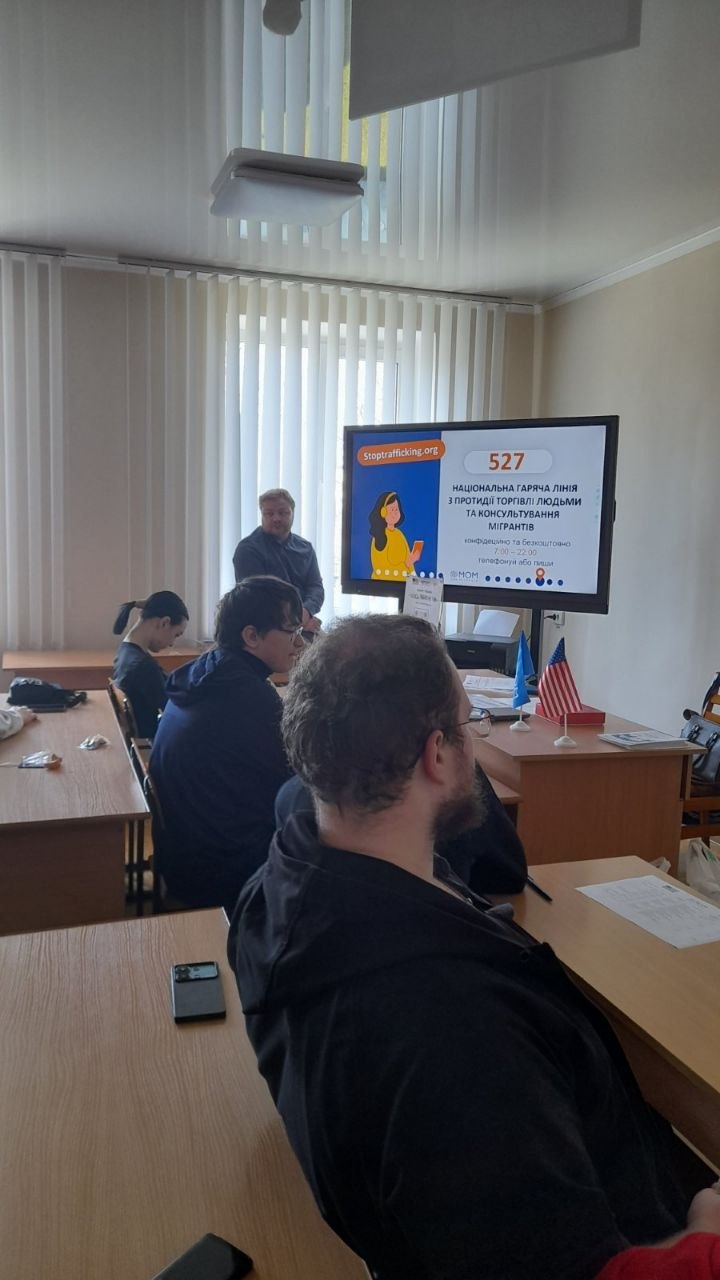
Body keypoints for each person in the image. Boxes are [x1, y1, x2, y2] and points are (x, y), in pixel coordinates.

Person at [229, 614, 720, 1280]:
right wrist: (705, 1233)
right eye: (468, 724)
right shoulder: (459, 1033)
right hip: (645, 1235)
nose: (473, 740)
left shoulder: (275, 889)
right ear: (437, 754)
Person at [150, 575, 304, 913]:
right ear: (251, 636)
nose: (299, 644)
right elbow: (297, 779)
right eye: (292, 632)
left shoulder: (202, 675)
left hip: (183, 856)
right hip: (220, 872)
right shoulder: (248, 697)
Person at [232, 489, 324, 634]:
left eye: (282, 513)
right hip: (265, 628)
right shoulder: (248, 549)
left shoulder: (305, 548)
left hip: (304, 620)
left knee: (337, 644)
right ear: (262, 515)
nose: (276, 518)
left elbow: (316, 588)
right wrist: (297, 619)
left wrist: (306, 612)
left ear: (293, 513)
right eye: (269, 514)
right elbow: (256, 598)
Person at [111, 591, 189, 740]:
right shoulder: (143, 666)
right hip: (156, 741)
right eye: (176, 635)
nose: (172, 643)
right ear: (164, 623)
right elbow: (175, 712)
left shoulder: (125, 652)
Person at [369, 490, 422, 579]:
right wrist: (405, 567)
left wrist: (411, 562)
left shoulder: (399, 534)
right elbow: (381, 569)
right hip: (383, 584)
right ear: (383, 513)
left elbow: (409, 564)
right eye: (392, 510)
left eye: (397, 509)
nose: (395, 513)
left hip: (405, 583)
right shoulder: (379, 536)